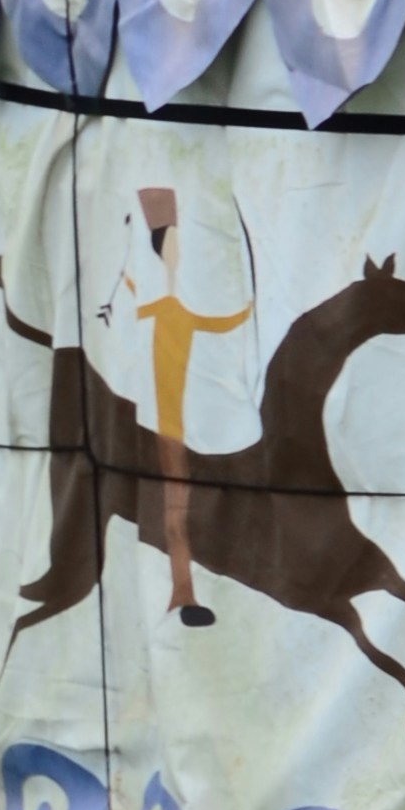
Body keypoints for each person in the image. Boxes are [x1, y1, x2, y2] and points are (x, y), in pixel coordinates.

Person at [112, 183, 249, 627]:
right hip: (166, 424)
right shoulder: (157, 306)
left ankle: (183, 588)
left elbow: (229, 321)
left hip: (186, 424)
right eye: (170, 245)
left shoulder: (174, 308)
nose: (175, 254)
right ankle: (180, 588)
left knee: (182, 504)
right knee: (176, 505)